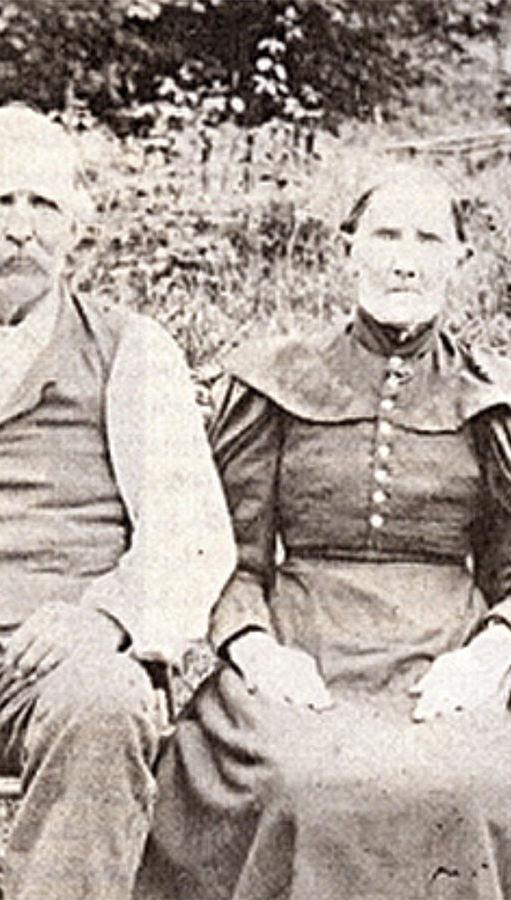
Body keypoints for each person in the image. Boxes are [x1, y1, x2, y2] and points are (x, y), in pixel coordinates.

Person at [137, 166, 511, 900]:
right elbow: (228, 554)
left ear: (460, 259)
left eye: (428, 240)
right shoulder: (277, 380)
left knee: (467, 782)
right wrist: (255, 649)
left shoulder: (489, 399)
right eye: (386, 236)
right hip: (301, 645)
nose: (405, 260)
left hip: (445, 655)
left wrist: (491, 655)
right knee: (300, 780)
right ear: (349, 250)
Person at [0, 104, 235, 900]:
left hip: (64, 658)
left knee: (107, 705)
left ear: (75, 227)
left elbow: (191, 532)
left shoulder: (132, 350)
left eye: (44, 205)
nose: (21, 228)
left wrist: (108, 616)